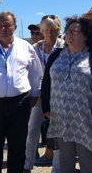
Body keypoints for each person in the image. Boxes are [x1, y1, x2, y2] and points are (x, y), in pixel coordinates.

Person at [0, 11, 42, 172]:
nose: (2, 28)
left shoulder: (25, 47)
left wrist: (35, 95)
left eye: (7, 25)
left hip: (19, 103)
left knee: (18, 147)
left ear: (14, 27)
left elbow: (36, 72)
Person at [41, 16, 92, 172]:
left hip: (85, 120)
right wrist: (46, 108)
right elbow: (46, 82)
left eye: (74, 31)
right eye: (67, 31)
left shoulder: (90, 56)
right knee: (65, 162)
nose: (68, 34)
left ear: (85, 35)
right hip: (61, 119)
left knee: (87, 162)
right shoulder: (57, 55)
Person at [24, 15, 64, 173]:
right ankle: (27, 165)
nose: (49, 33)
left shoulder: (64, 47)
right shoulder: (34, 49)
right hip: (39, 96)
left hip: (58, 97)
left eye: (53, 30)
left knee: (58, 135)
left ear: (58, 30)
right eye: (46, 30)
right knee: (31, 131)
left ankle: (57, 168)